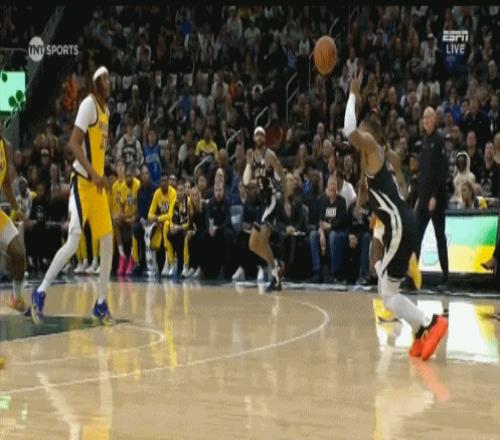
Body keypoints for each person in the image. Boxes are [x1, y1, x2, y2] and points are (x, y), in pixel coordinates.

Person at [344, 70, 447, 362]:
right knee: (385, 287)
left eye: (364, 132)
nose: (359, 137)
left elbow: (349, 130)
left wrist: (352, 93)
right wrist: (358, 198)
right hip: (399, 224)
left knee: (387, 293)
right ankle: (420, 329)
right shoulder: (370, 163)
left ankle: (428, 323)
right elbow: (365, 199)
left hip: (400, 225)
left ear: (369, 134)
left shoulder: (372, 147)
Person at [26, 66, 114, 325]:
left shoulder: (106, 112)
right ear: (95, 83)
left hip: (97, 187)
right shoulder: (88, 105)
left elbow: (97, 151)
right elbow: (73, 144)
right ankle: (40, 291)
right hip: (82, 184)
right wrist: (93, 173)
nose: (108, 82)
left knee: (107, 241)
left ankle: (100, 302)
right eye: (104, 78)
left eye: (109, 78)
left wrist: (104, 174)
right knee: (74, 240)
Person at [243, 126, 286, 292]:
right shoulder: (253, 158)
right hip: (262, 204)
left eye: (262, 135)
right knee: (253, 244)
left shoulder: (270, 155)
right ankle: (276, 265)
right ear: (254, 139)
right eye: (257, 135)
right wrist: (248, 167)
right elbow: (249, 182)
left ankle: (275, 275)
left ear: (265, 138)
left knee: (262, 239)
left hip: (272, 201)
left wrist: (285, 198)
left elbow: (282, 175)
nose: (260, 138)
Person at [415, 107, 449, 287]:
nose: (425, 120)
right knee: (416, 237)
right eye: (424, 117)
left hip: (437, 199)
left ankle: (445, 277)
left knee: (439, 237)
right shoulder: (424, 141)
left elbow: (442, 172)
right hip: (423, 198)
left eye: (428, 117)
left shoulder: (439, 140)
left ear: (434, 120)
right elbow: (423, 173)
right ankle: (413, 277)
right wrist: (420, 197)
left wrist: (435, 196)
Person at [309, 176, 349, 283]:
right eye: (330, 184)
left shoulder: (342, 201)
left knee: (333, 236)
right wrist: (321, 233)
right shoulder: (324, 201)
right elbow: (320, 220)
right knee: (313, 235)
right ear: (327, 186)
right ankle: (317, 271)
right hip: (325, 231)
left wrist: (330, 226)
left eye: (334, 184)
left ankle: (334, 273)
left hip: (339, 232)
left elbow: (341, 221)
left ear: (337, 187)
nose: (332, 187)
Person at [147, 173, 176, 278]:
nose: (164, 183)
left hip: (172, 222)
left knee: (166, 225)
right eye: (162, 181)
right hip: (160, 224)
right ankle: (152, 267)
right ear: (159, 183)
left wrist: (158, 218)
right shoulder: (157, 193)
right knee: (149, 231)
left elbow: (171, 215)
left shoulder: (173, 193)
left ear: (168, 182)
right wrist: (155, 219)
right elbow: (150, 214)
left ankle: (169, 263)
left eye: (165, 181)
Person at [118, 165, 140, 275]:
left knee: (134, 225)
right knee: (115, 224)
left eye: (130, 176)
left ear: (133, 176)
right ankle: (122, 256)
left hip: (136, 216)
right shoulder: (122, 186)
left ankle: (132, 258)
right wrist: (121, 216)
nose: (128, 179)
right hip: (127, 216)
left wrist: (132, 217)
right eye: (126, 176)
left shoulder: (138, 185)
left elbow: (140, 207)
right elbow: (122, 206)